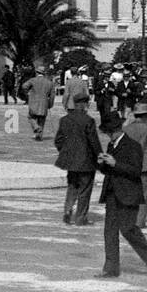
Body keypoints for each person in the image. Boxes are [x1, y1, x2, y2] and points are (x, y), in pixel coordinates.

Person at [94, 111, 147, 278]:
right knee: (110, 231)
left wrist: (115, 163)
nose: (108, 137)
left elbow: (135, 171)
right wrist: (101, 164)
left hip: (129, 193)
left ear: (116, 131)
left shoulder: (132, 146)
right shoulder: (111, 145)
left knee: (128, 229)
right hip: (112, 193)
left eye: (109, 133)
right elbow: (108, 170)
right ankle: (111, 268)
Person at [54, 92, 101, 225]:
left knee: (72, 186)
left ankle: (68, 210)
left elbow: (58, 140)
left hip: (70, 161)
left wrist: (66, 152)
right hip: (86, 161)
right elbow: (94, 142)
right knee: (85, 190)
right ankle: (81, 218)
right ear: (85, 104)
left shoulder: (65, 120)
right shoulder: (88, 120)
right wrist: (99, 156)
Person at [124, 102, 147, 227]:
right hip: (144, 166)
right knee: (143, 195)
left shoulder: (126, 129)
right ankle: (139, 222)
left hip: (129, 165)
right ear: (145, 115)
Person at [24, 68, 56, 141]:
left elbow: (24, 86)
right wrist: (50, 104)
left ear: (37, 72)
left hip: (33, 103)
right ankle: (39, 136)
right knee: (42, 120)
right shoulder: (49, 83)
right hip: (44, 103)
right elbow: (52, 96)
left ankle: (36, 127)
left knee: (31, 117)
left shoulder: (32, 80)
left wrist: (28, 93)